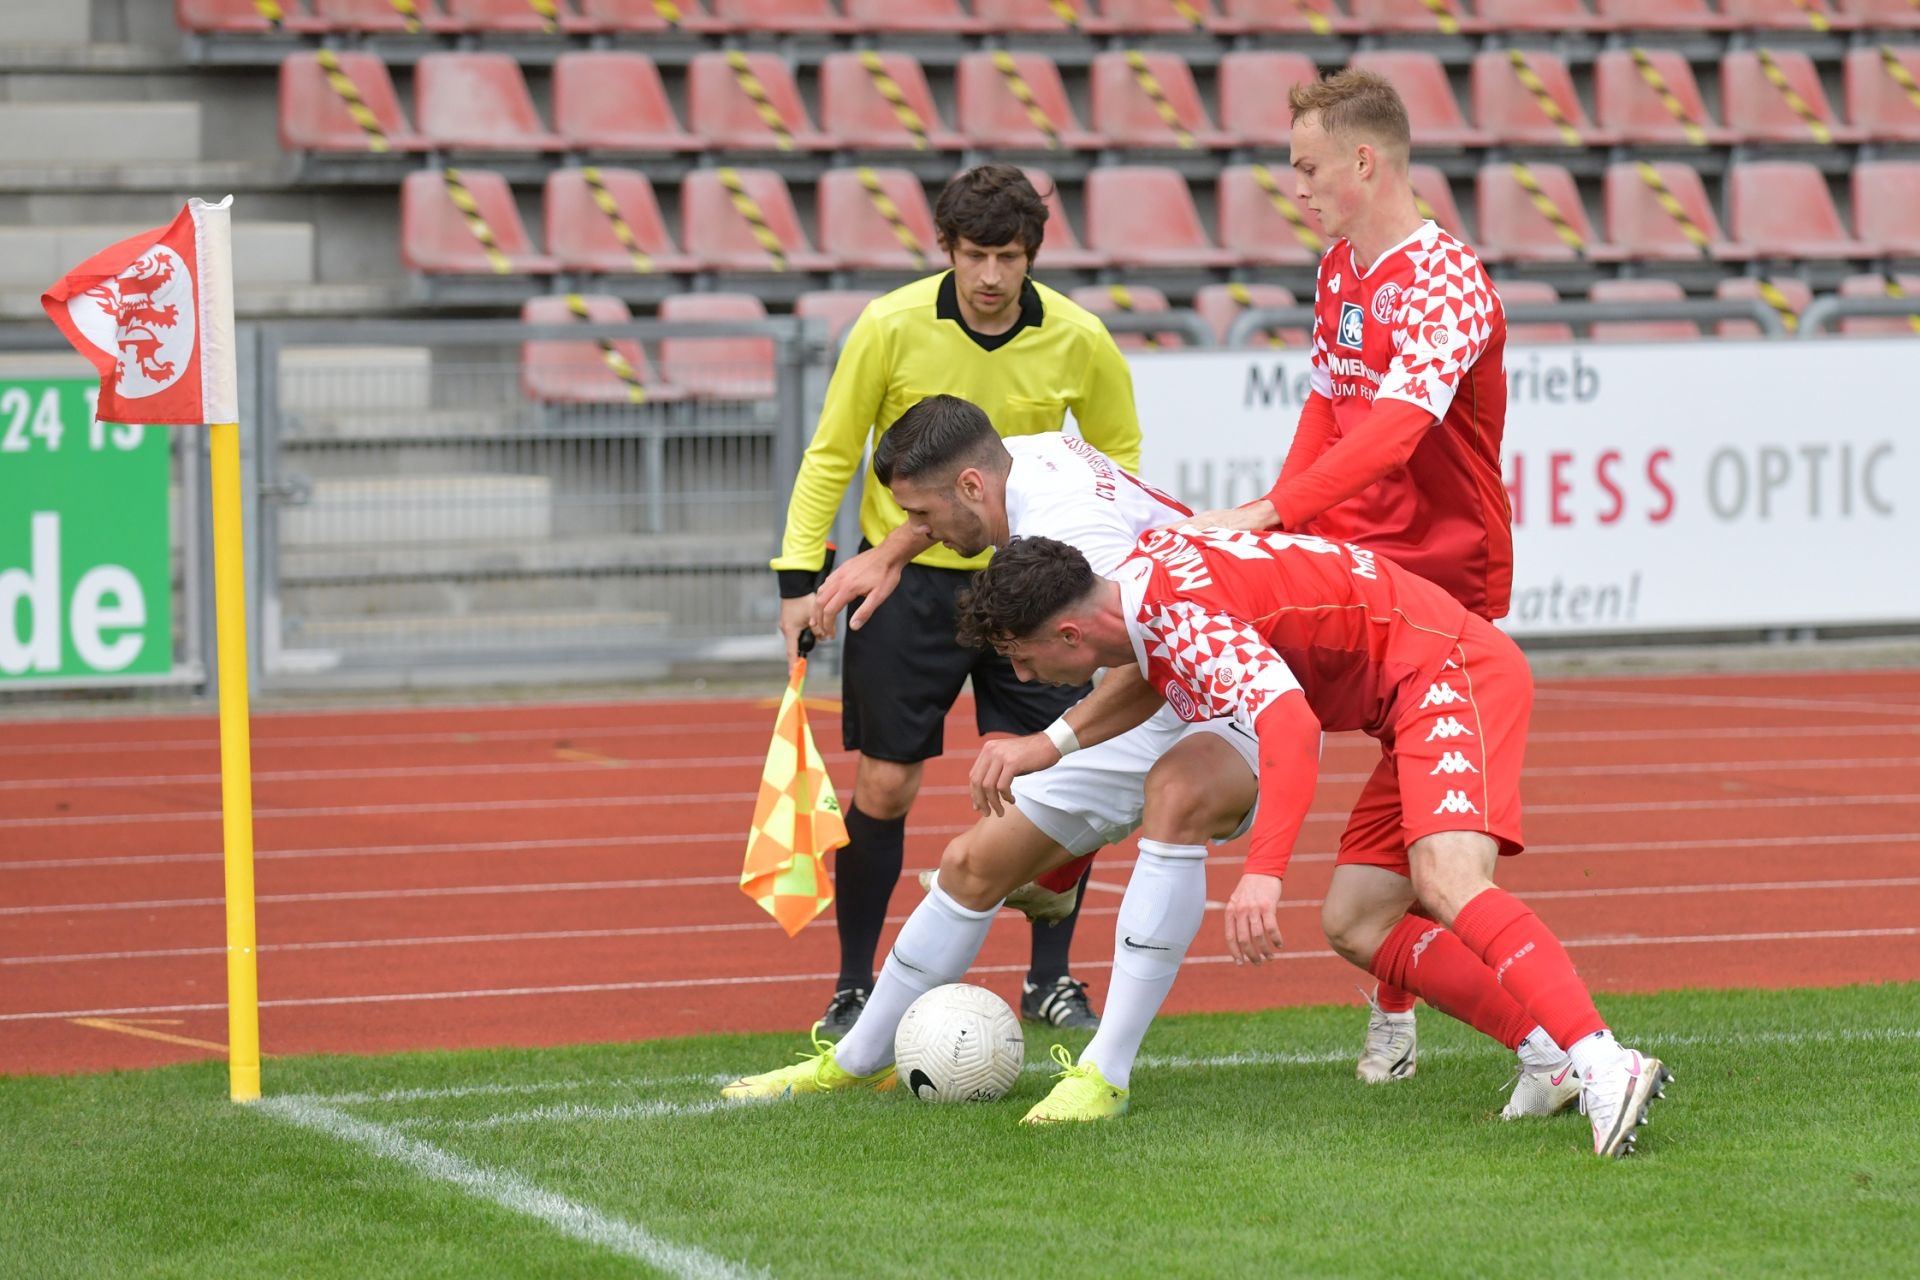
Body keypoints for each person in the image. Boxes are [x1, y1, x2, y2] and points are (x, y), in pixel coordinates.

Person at [957, 531, 1672, 1158]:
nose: (1023, 677)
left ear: (1072, 635)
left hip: (1453, 676)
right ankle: (1548, 1054)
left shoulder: (1179, 614)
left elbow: (1290, 727)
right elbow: (1150, 671)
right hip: (1411, 699)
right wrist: (1048, 745)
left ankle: (1605, 1061)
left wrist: (1263, 872)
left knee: (1447, 877)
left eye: (1022, 659)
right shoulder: (1140, 588)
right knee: (1358, 921)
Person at [727, 395, 1260, 1123]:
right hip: (1154, 674)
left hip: (1229, 679)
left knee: (1176, 800)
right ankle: (852, 1062)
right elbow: (959, 504)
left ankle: (1105, 1075)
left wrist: (1049, 742)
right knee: (973, 864)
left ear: (973, 487)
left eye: (921, 516)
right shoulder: (1017, 458)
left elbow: (1156, 655)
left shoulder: (1074, 536)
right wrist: (886, 554)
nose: (920, 532)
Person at [1177, 69, 1515, 1092]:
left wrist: (1272, 516)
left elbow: (1400, 431)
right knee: (1221, 661)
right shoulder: (1337, 270)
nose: (1298, 186)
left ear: (1365, 161)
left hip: (1444, 578)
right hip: (1354, 563)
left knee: (1429, 830)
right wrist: (1281, 518)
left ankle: (1470, 1011)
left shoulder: (1447, 277)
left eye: (1307, 166)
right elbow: (1328, 415)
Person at [770, 165, 1142, 1036]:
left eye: (1007, 257)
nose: (988, 276)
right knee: (887, 784)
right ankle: (855, 982)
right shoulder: (889, 325)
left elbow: (1118, 459)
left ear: (1030, 258)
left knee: (1050, 776)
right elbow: (833, 453)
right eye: (974, 254)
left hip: (1038, 586)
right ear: (947, 251)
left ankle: (1049, 980)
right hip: (904, 587)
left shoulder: (1082, 338)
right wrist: (798, 576)